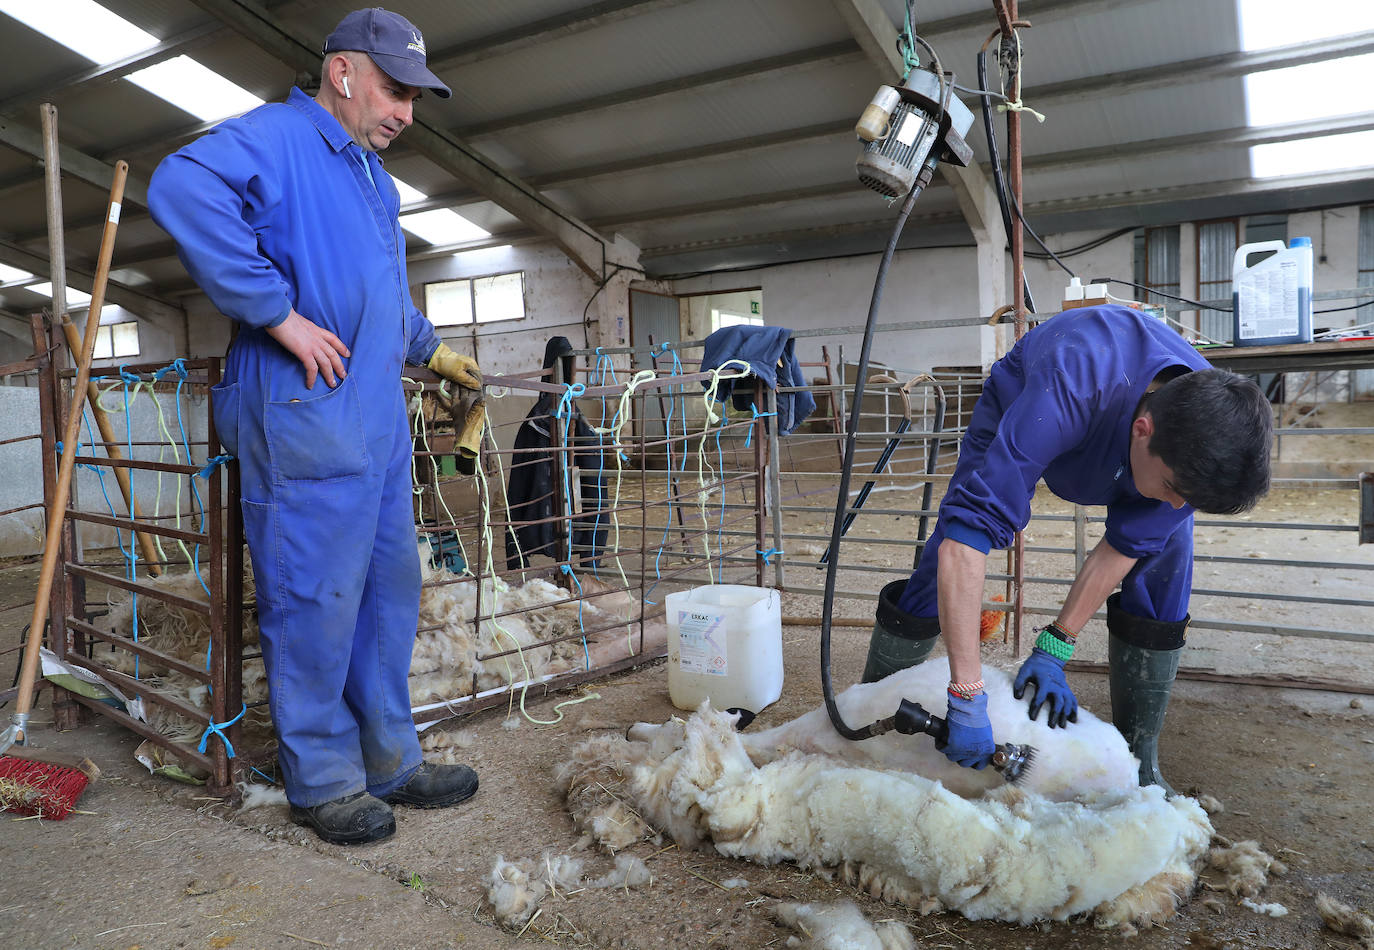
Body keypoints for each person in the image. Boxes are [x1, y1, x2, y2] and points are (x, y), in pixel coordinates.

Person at [148, 8, 484, 845]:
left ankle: (390, 759)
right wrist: (276, 314)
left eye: (415, 95)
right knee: (315, 601)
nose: (406, 110)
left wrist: (432, 350)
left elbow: (377, 291)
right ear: (343, 73)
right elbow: (178, 187)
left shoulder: (372, 177)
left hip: (371, 422)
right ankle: (323, 779)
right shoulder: (281, 138)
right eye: (395, 89)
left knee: (385, 595)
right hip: (302, 412)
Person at [861, 304, 1273, 795]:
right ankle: (865, 712)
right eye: (1173, 488)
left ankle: (1138, 761)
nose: (1178, 504)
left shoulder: (1204, 431)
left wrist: (1056, 645)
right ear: (1143, 432)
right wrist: (967, 694)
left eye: (1190, 499)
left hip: (1130, 434)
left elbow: (1125, 544)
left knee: (1167, 554)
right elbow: (966, 544)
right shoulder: (1073, 385)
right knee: (955, 533)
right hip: (1036, 400)